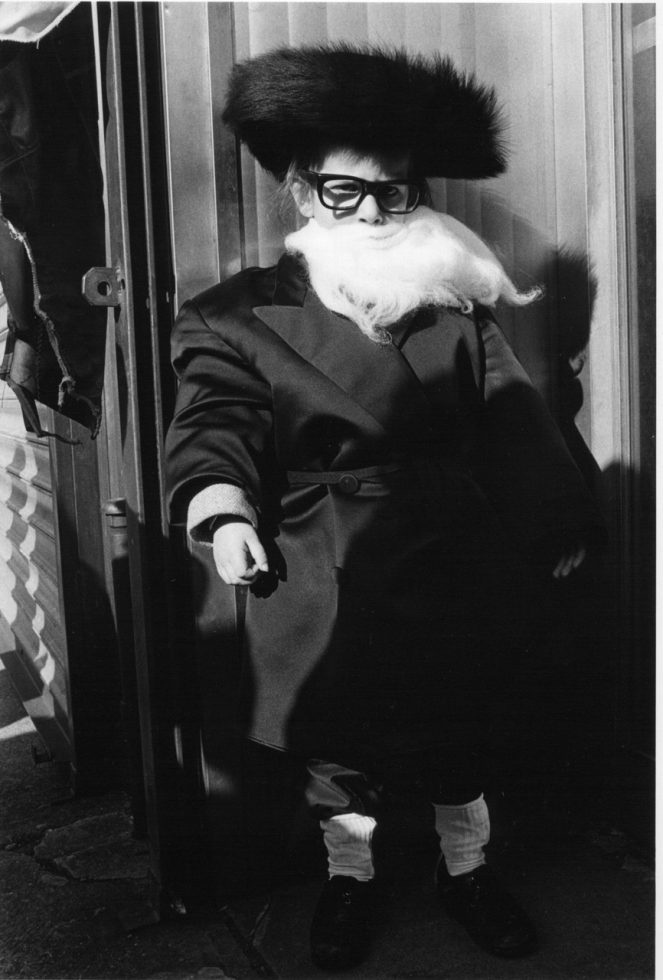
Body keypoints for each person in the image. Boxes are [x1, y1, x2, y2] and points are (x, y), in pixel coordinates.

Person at [165, 44, 605, 971]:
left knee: (463, 726)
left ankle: (466, 870)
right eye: (343, 192)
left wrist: (554, 517)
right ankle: (350, 883)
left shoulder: (448, 305)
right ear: (298, 187)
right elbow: (215, 417)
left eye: (393, 194)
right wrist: (223, 508)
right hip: (325, 558)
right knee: (341, 747)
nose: (370, 212)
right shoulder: (231, 317)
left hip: (453, 543)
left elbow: (511, 413)